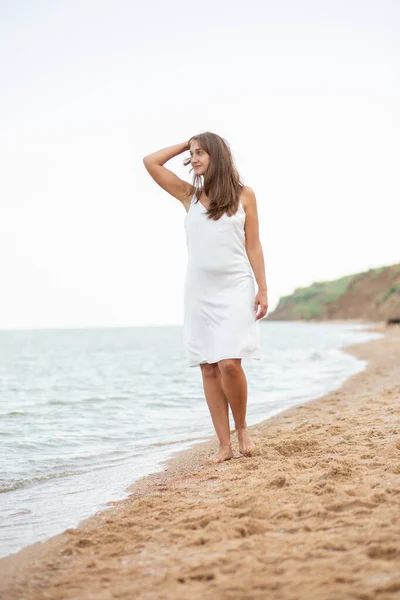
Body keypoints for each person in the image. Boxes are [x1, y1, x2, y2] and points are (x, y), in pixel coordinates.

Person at [143, 132, 268, 464]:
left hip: (236, 287)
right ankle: (223, 444)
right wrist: (186, 144)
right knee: (209, 367)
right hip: (199, 292)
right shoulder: (190, 196)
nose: (194, 159)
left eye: (201, 153)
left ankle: (242, 428)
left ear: (219, 157)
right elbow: (150, 163)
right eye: (192, 154)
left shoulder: (245, 196)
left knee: (229, 362)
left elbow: (253, 245)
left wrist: (263, 287)